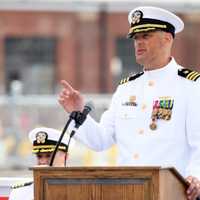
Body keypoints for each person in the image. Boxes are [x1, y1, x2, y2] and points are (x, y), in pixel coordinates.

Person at [58, 6, 200, 200]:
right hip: (126, 192)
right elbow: (100, 140)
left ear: (167, 38)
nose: (138, 43)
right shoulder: (126, 89)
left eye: (146, 36)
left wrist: (195, 177)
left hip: (171, 193)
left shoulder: (191, 86)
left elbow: (198, 144)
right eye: (136, 38)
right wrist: (78, 113)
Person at [9, 127, 69, 200]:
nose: (42, 162)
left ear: (65, 156)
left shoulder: (77, 189)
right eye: (39, 156)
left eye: (48, 156)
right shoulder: (20, 192)